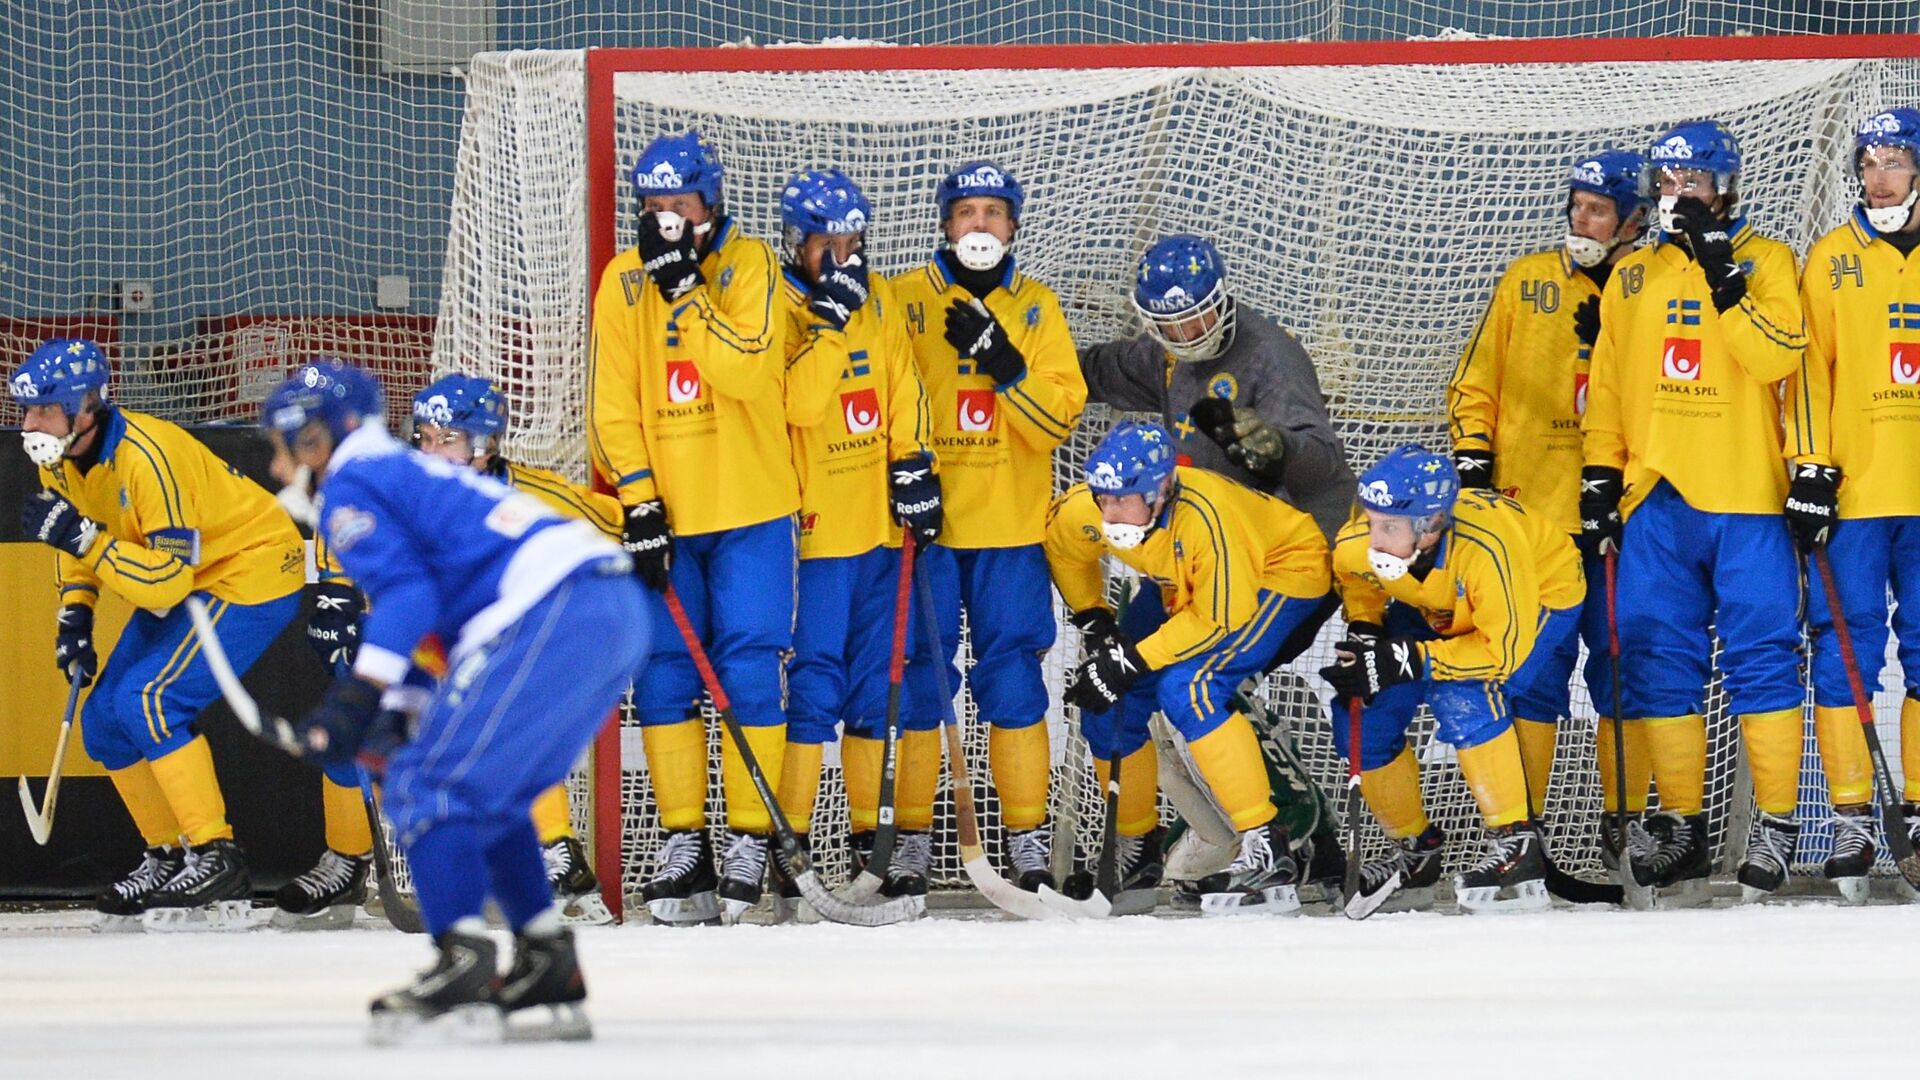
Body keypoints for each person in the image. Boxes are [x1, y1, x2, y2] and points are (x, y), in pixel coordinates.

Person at [260, 361, 646, 1043]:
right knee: (486, 795)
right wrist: (400, 705)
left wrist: (354, 699)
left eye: (281, 443)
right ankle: (546, 962)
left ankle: (463, 962)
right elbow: (438, 615)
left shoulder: (354, 482)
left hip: (552, 609)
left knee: (425, 781)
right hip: (603, 607)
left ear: (317, 438)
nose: (274, 464)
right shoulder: (401, 475)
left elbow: (408, 599)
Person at [1580, 120, 1807, 904]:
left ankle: (1775, 823)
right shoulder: (1631, 273)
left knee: (1764, 654)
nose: (1680, 196)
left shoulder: (1770, 259)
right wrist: (1600, 480)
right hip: (1656, 498)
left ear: (1726, 187)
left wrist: (1724, 274)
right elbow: (1606, 388)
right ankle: (1680, 825)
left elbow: (1779, 356)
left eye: (1695, 183)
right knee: (1652, 659)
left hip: (1744, 492)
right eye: (1669, 183)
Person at [11, 338, 305, 930]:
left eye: (44, 409)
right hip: (188, 574)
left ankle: (217, 855)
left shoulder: (148, 458)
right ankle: (167, 854)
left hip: (249, 570)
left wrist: (87, 542)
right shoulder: (55, 457)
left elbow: (164, 582)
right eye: (26, 410)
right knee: (103, 722)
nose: (29, 424)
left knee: (148, 698)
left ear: (86, 407)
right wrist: (76, 612)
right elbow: (76, 540)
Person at [585, 129, 799, 923]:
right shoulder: (621, 280)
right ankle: (686, 844)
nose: (665, 218)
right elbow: (613, 398)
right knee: (664, 673)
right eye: (652, 205)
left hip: (749, 508)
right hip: (665, 517)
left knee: (749, 667)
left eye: (679, 203)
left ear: (711, 201)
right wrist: (637, 496)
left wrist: (688, 290)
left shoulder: (754, 268)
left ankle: (748, 838)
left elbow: (744, 367)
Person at [1447, 149, 1653, 865]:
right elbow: (1476, 381)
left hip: (1619, 519)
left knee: (1622, 671)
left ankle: (1625, 825)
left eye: (1597, 208)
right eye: (1575, 204)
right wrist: (1472, 459)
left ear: (1634, 217)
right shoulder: (1526, 279)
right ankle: (1519, 835)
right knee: (1529, 676)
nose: (1580, 219)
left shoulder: (1653, 284)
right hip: (1528, 523)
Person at [892, 160, 1087, 889]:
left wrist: (1003, 361)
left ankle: (1027, 836)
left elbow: (1053, 424)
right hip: (926, 530)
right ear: (946, 224)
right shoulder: (904, 299)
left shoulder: (1038, 307)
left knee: (1012, 683)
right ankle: (911, 836)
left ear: (1013, 225)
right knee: (920, 681)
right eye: (966, 212)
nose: (980, 226)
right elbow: (883, 399)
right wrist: (904, 478)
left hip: (1009, 530)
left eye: (994, 213)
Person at [1044, 421, 1332, 914]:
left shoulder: (1207, 519)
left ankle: (1268, 846)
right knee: (1107, 700)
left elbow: (1219, 618)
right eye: (1102, 498)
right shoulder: (1089, 509)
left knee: (1190, 685)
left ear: (1160, 491)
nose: (1108, 512)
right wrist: (1094, 620)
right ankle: (1136, 850)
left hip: (1279, 573)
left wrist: (1129, 659)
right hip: (1186, 580)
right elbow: (1065, 546)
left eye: (1123, 499)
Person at [771, 168, 942, 916]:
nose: (841, 256)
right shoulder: (778, 306)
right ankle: (792, 846)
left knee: (878, 690)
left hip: (880, 528)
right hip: (816, 532)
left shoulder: (875, 304)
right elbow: (802, 405)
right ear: (797, 244)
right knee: (814, 689)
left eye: (852, 242)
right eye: (826, 243)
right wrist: (829, 323)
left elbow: (905, 385)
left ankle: (872, 844)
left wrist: (914, 462)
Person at [1321, 446, 1583, 913]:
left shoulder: (1487, 549)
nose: (1373, 538)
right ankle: (1416, 849)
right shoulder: (1361, 540)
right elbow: (1356, 576)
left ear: (1431, 525)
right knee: (1362, 707)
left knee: (1466, 691)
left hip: (1539, 593)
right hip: (1439, 605)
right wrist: (1366, 629)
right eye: (1372, 519)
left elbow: (1499, 653)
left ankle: (1516, 842)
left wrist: (1406, 659)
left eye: (1389, 527)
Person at [1786, 106, 1920, 902]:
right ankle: (1852, 813)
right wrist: (1811, 468)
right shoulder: (1831, 258)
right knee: (1845, 649)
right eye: (1868, 162)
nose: (1879, 175)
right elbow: (1809, 373)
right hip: (1861, 492)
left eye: (1894, 160)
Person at [1078, 234, 1354, 539]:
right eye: (1170, 322)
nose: (1186, 334)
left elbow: (1325, 463)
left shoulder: (1270, 357)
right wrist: (1037, 369)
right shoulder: (1167, 351)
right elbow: (1103, 371)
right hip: (1214, 524)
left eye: (1194, 316)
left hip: (1295, 537)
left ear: (1220, 300)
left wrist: (1280, 447)